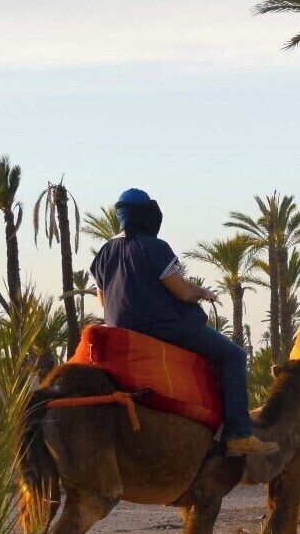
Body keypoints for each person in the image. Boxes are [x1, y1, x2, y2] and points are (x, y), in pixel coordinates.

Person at [86, 188, 274, 457]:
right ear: (147, 215)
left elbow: (103, 302)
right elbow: (183, 292)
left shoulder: (104, 252)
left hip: (119, 331)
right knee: (233, 356)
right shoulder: (154, 247)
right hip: (163, 328)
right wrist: (203, 292)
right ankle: (239, 434)